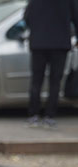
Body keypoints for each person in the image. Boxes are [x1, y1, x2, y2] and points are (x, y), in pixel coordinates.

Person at [24, 0, 78, 129]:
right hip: (60, 44)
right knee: (55, 82)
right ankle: (50, 117)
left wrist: (37, 29)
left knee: (36, 81)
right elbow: (76, 17)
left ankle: (33, 116)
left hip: (38, 44)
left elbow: (27, 17)